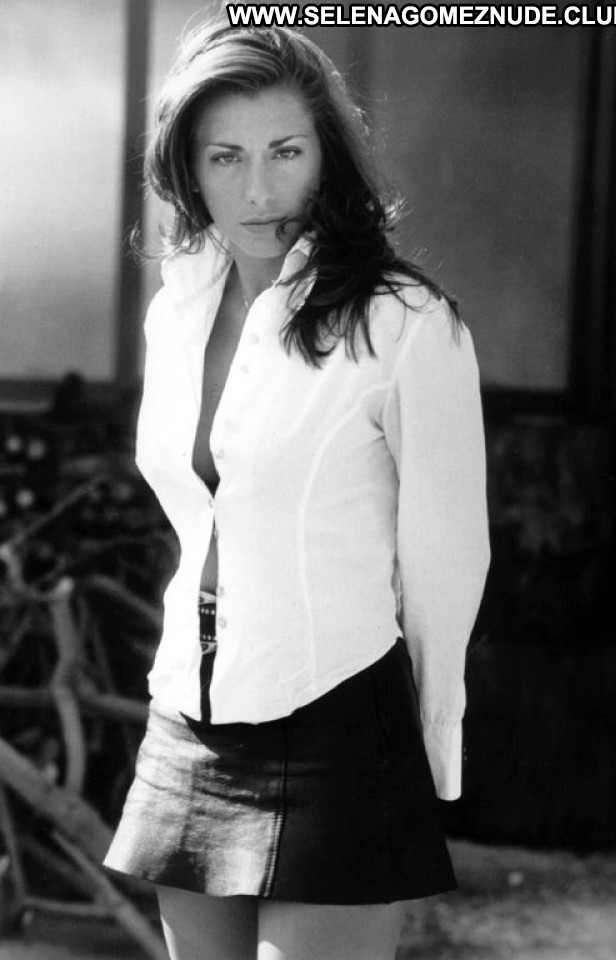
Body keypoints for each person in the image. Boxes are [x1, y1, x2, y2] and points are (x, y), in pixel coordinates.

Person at [104, 16, 491, 960]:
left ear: (328, 157)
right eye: (225, 157)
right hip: (188, 718)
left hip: (336, 717)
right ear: (187, 169)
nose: (259, 190)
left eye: (286, 152)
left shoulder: (405, 324)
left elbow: (446, 558)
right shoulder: (175, 312)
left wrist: (433, 733)